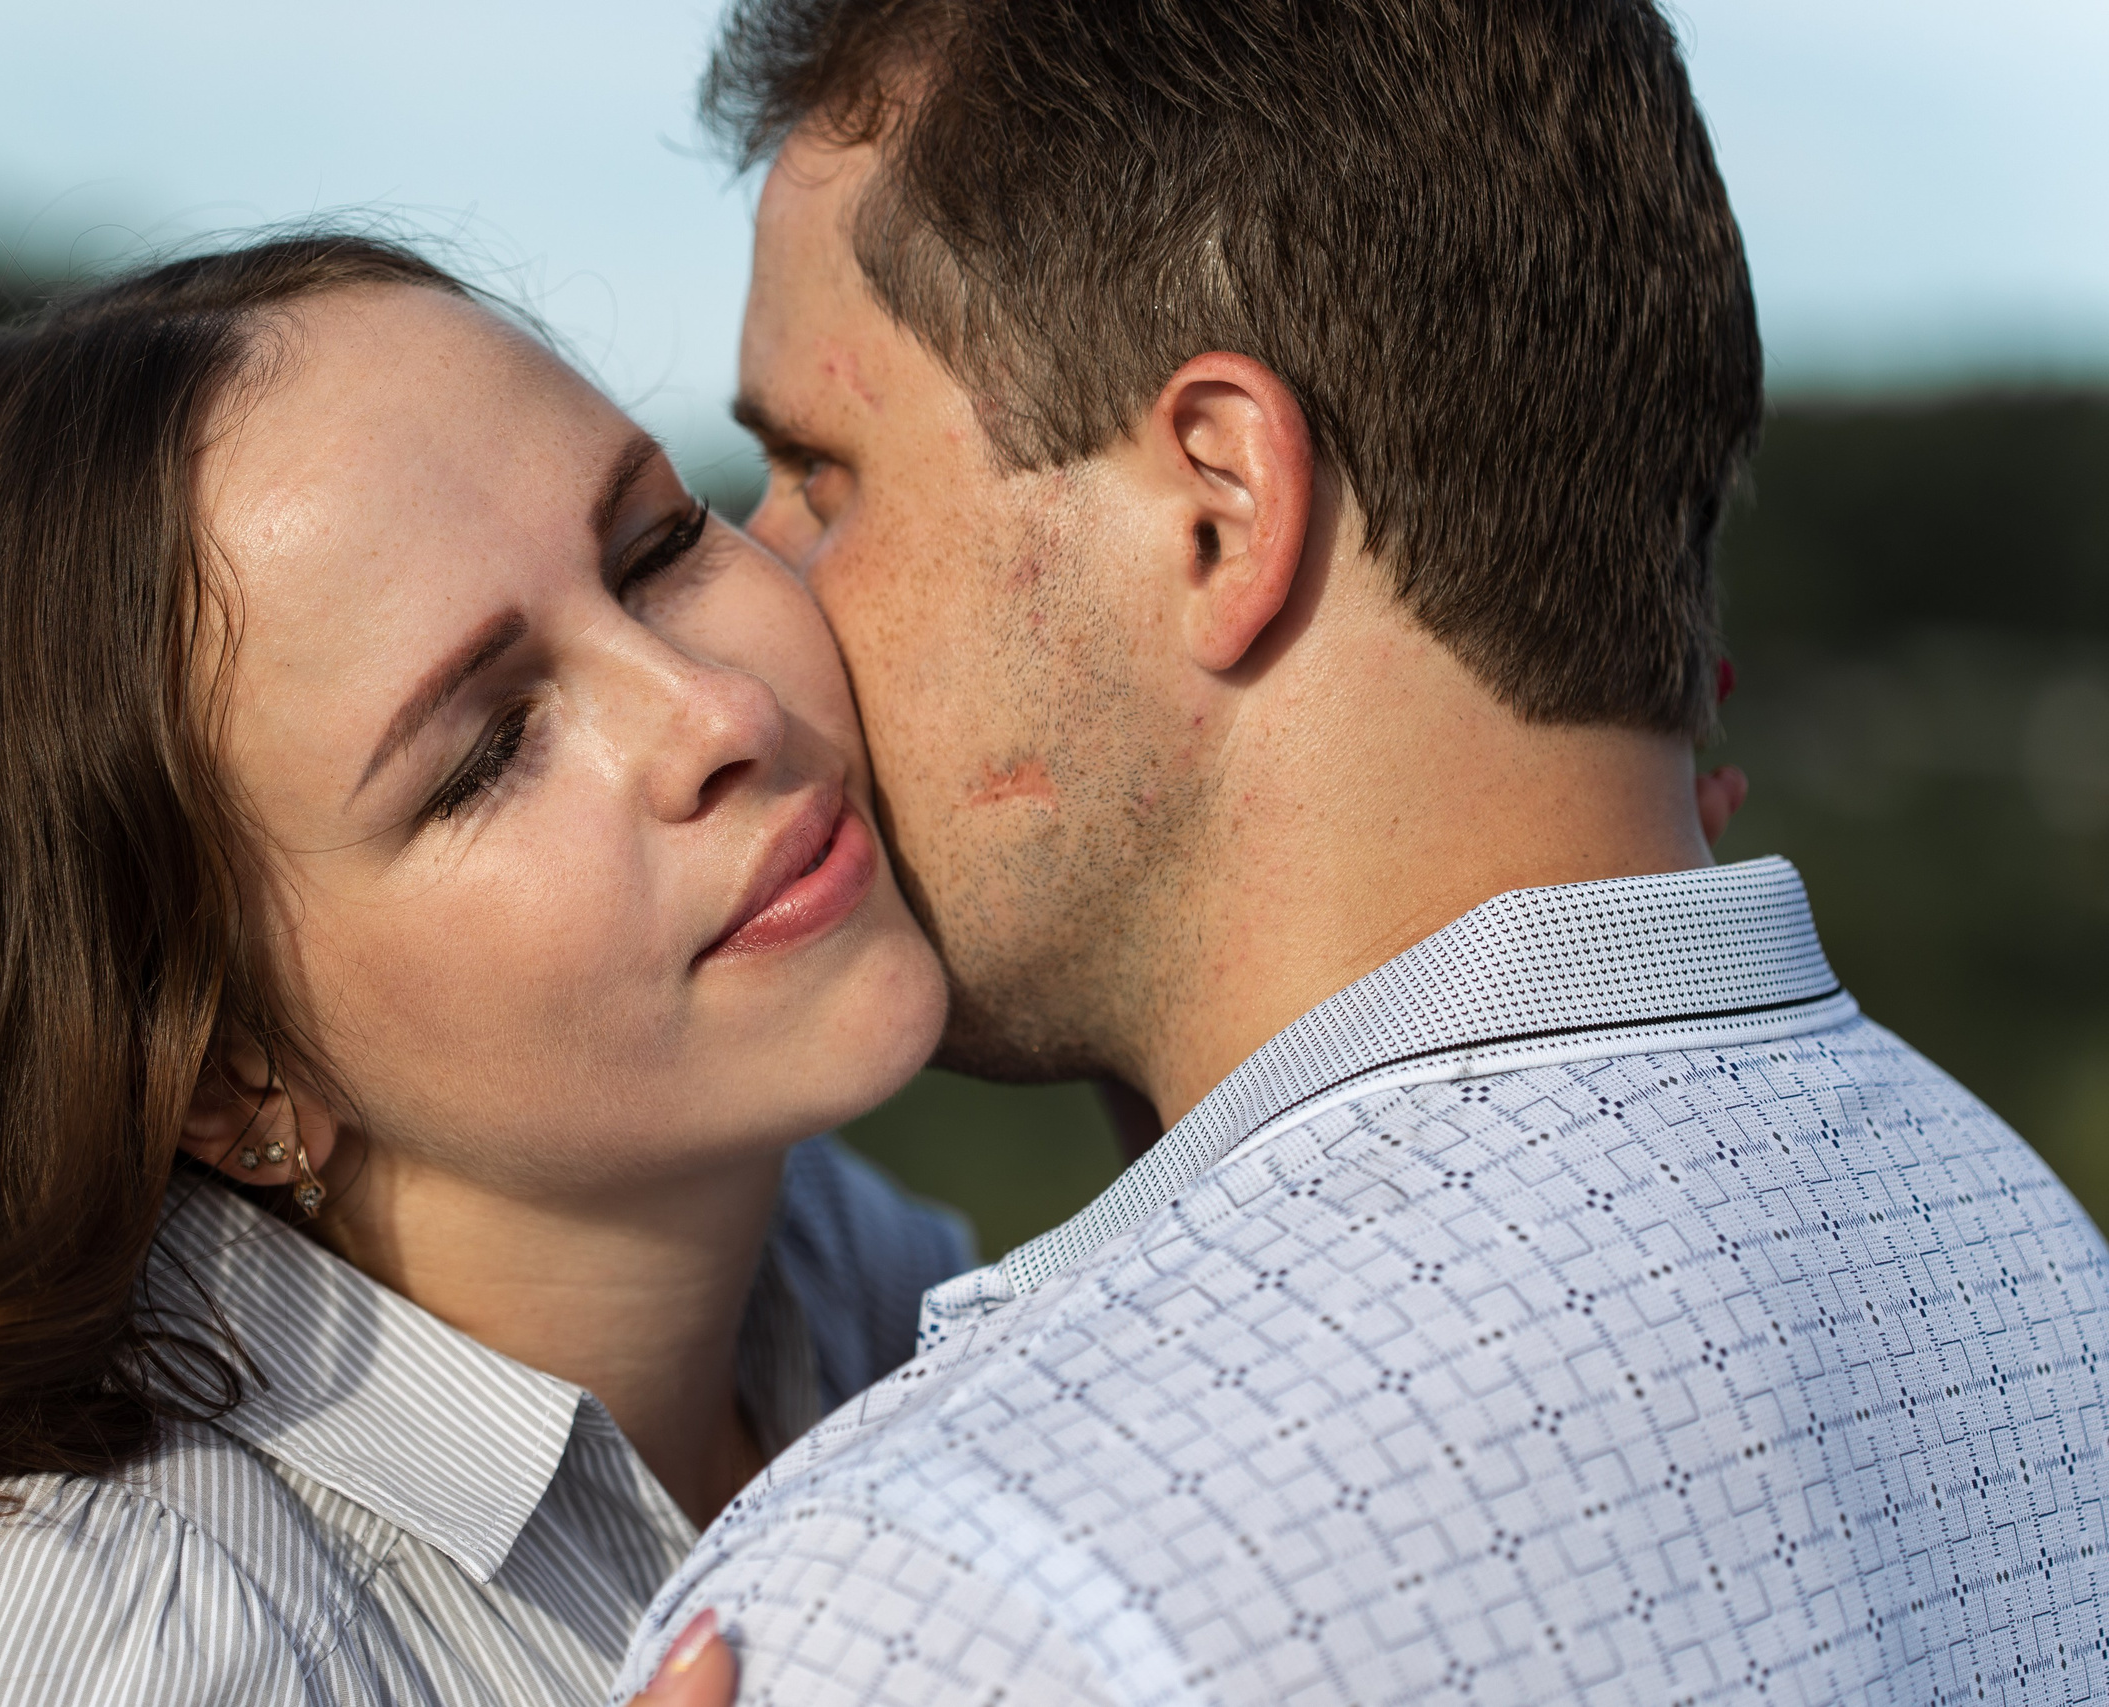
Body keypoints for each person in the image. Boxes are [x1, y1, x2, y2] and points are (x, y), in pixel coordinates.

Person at [615, 1, 2109, 1702]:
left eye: (820, 473)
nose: (759, 611)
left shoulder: (940, 1596)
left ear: (1219, 507)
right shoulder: (2027, 1264)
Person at [0, 236, 973, 1706]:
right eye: (482, 755)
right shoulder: (102, 1638)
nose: (717, 710)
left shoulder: (836, 1263)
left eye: (659, 548)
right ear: (236, 1072)